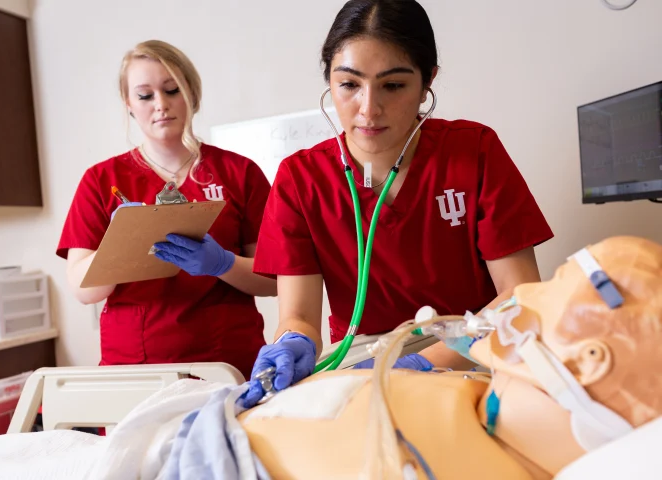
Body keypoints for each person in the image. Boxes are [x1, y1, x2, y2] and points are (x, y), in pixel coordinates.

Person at [243, 0, 553, 404]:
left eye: (393, 85)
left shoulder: (474, 151)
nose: (369, 109)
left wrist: (424, 363)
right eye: (349, 85)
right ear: (329, 82)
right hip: (363, 358)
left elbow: (519, 293)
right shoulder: (300, 178)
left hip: (473, 348)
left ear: (427, 84)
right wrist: (292, 342)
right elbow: (298, 315)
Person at [239, 235, 662, 479]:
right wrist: (293, 339)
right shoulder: (486, 400)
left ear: (589, 359)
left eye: (555, 286)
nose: (527, 291)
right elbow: (296, 310)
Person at [57, 40, 275, 378]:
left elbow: (274, 279)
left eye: (172, 90)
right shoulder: (101, 180)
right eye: (145, 96)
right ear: (128, 104)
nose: (161, 104)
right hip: (136, 368)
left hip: (227, 362)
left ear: (192, 94)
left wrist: (223, 263)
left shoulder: (239, 173)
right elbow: (83, 291)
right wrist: (120, 244)